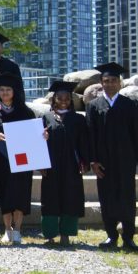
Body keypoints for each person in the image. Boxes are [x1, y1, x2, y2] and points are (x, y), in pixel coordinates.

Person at [0, 73, 42, 245]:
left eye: (8, 89)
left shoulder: (25, 110)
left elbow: (33, 134)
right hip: (1, 160)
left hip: (22, 161)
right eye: (2, 90)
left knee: (21, 194)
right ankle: (7, 229)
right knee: (5, 193)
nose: (5, 92)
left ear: (13, 91)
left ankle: (18, 230)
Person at [86, 62, 138, 250]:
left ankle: (128, 237)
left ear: (120, 83)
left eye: (113, 80)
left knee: (127, 198)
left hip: (126, 161)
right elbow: (90, 135)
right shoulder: (93, 106)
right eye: (106, 81)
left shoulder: (130, 105)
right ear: (101, 83)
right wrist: (93, 161)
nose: (110, 84)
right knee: (106, 198)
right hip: (103, 162)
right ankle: (111, 235)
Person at [41, 80, 90, 247]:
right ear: (53, 99)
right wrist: (41, 162)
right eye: (60, 97)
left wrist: (84, 161)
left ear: (71, 100)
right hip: (51, 165)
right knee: (50, 198)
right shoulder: (45, 118)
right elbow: (38, 142)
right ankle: (49, 234)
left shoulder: (78, 119)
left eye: (67, 98)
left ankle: (66, 234)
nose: (63, 101)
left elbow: (84, 142)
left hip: (72, 164)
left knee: (71, 197)